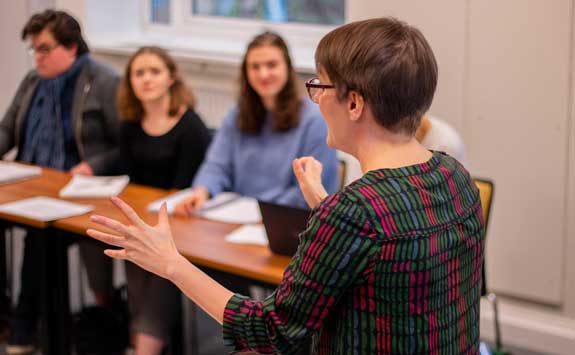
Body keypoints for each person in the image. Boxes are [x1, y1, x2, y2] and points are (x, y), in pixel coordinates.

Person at [87, 17, 485, 355]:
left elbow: (271, 331)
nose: (315, 98)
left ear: (354, 104)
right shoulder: (454, 177)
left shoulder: (354, 213)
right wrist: (325, 204)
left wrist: (170, 263)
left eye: (321, 86)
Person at [0, 10, 119, 354]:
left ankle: (26, 328)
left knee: (41, 240)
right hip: (30, 183)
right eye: (33, 49)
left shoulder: (103, 80)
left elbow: (124, 144)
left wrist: (93, 166)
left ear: (71, 47)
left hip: (78, 193)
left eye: (44, 49)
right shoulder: (33, 80)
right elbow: (8, 128)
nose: (36, 57)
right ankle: (9, 315)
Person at [174, 31, 339, 215]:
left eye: (271, 65)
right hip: (239, 217)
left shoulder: (315, 119)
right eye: (255, 66)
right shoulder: (236, 115)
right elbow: (216, 165)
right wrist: (202, 191)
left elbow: (313, 188)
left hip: (288, 220)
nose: (263, 74)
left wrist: (264, 212)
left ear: (288, 67)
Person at [116, 46, 211, 355]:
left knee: (156, 265)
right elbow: (129, 179)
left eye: (154, 71)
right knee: (128, 251)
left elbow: (187, 186)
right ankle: (141, 337)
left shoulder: (190, 125)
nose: (146, 79)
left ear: (171, 77)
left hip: (183, 221)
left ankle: (145, 344)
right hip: (143, 215)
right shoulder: (129, 124)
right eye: (138, 73)